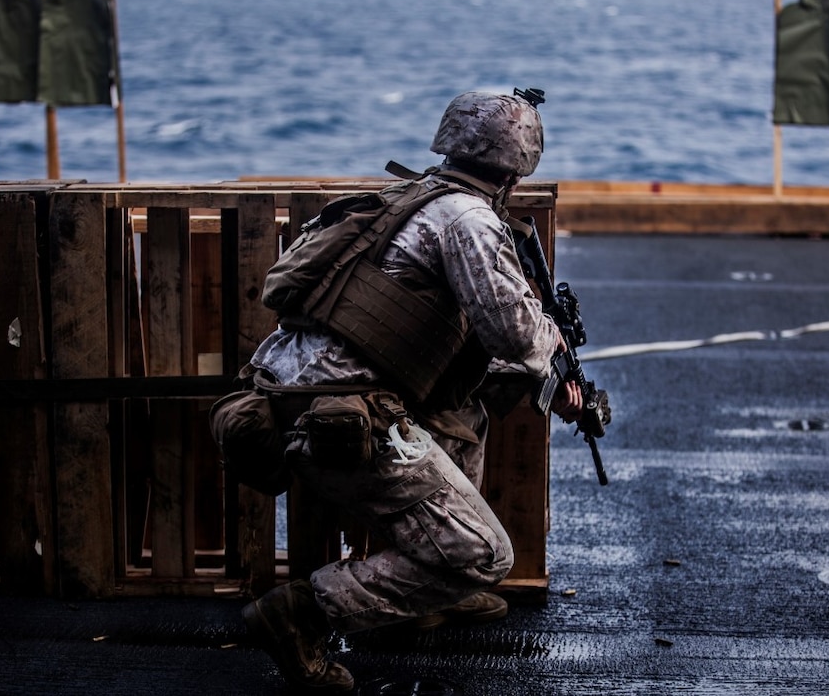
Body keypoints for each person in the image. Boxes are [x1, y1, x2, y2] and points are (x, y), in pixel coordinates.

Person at [242, 88, 581, 692]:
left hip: (292, 392)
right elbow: (514, 332)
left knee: (465, 412)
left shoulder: (407, 198)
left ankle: (432, 592)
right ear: (515, 171)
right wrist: (552, 351)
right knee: (488, 556)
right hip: (346, 416)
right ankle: (303, 613)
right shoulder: (469, 219)